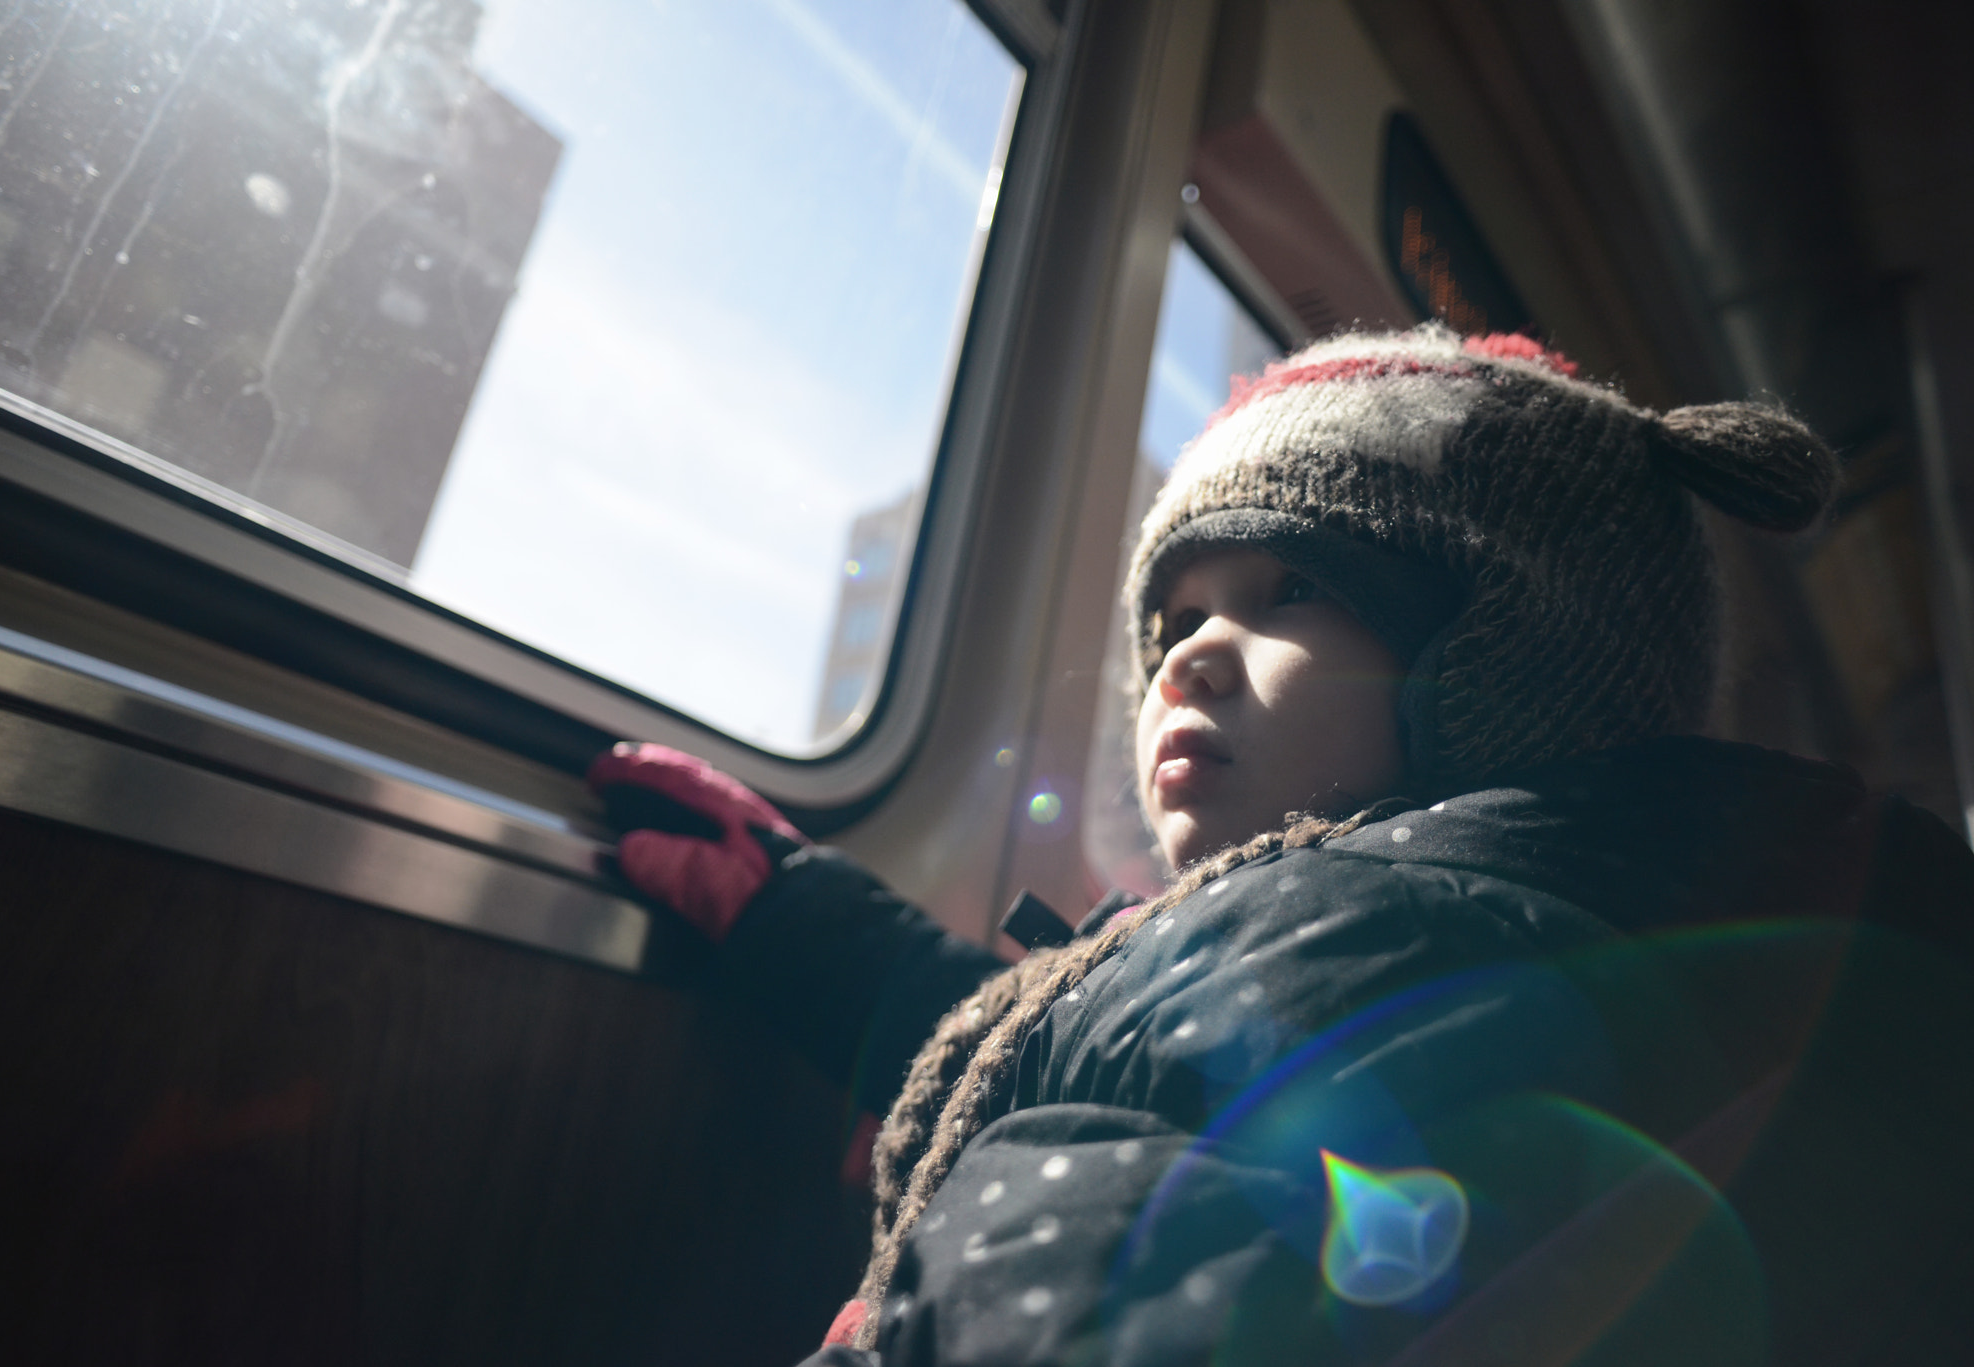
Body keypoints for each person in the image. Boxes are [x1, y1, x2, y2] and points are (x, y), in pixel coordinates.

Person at [589, 326, 1974, 1367]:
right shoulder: (1388, 930)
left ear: (1509, 654)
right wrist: (806, 920)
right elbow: (1105, 1059)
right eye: (1174, 615)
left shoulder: (1388, 946)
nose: (1189, 654)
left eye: (1291, 587)